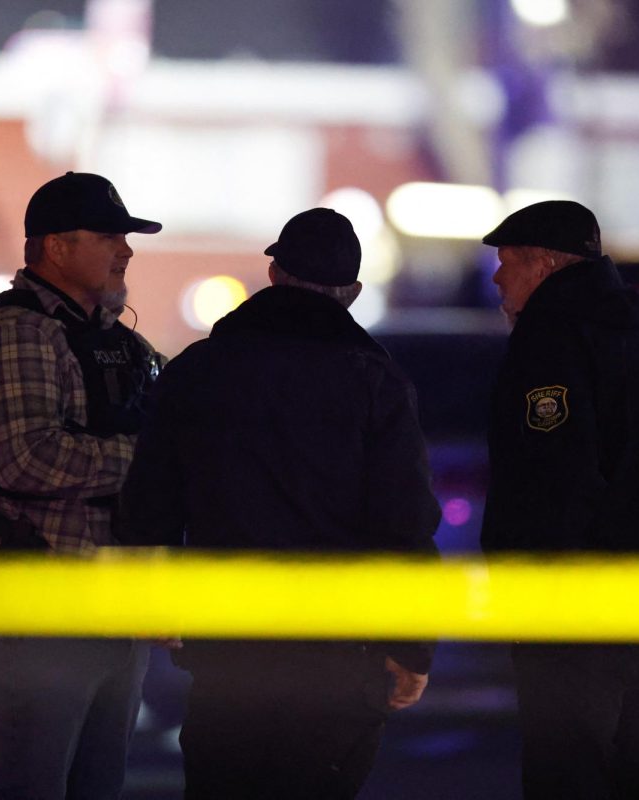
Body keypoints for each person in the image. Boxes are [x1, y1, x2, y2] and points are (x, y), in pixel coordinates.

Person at [118, 207, 441, 800]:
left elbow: (150, 495)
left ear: (274, 273)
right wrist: (412, 644)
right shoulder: (375, 383)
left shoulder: (200, 370)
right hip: (341, 652)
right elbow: (405, 521)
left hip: (228, 646)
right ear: (353, 293)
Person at [0, 171, 165, 799]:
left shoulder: (119, 341)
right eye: (108, 236)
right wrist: (148, 459)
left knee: (97, 786)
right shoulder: (15, 332)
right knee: (34, 786)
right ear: (55, 247)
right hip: (38, 595)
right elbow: (28, 459)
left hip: (113, 599)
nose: (125, 249)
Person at [480, 200, 639, 799]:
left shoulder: (550, 345)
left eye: (507, 262)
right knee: (638, 774)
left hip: (577, 617)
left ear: (546, 263)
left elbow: (552, 483)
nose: (498, 278)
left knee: (568, 776)